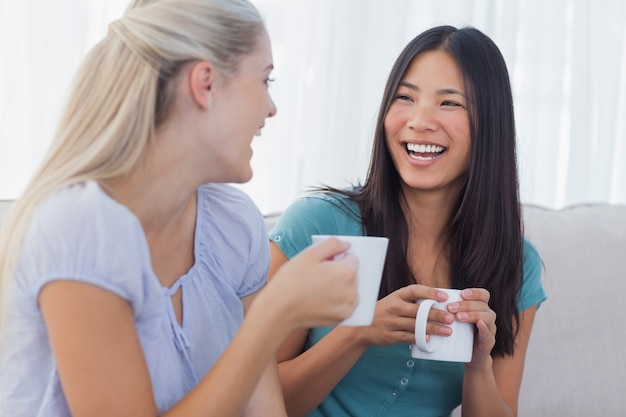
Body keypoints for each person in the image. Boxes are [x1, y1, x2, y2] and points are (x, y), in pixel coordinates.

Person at [0, 0, 360, 416]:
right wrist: (275, 314)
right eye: (264, 81)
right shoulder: (79, 227)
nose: (271, 108)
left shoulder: (232, 223)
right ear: (205, 84)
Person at [268, 25, 547, 417]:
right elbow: (251, 398)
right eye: (405, 97)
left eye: (449, 103)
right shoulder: (318, 225)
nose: (419, 121)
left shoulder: (517, 263)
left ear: (491, 125)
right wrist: (358, 333)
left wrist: (478, 363)